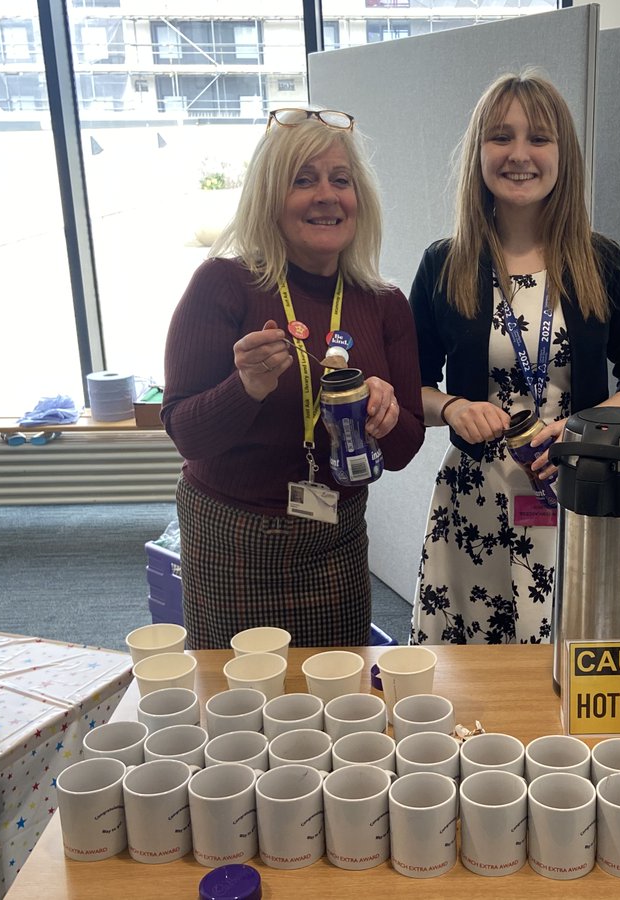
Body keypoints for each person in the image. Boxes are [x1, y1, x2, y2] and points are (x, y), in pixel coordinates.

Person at [410, 71, 620, 645]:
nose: (519, 154)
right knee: (470, 681)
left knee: (571, 671)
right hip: (474, 505)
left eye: (539, 138)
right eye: (501, 137)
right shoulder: (445, 264)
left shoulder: (601, 262)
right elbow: (412, 389)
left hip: (577, 494)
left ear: (562, 154)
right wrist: (451, 407)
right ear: (479, 151)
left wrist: (585, 429)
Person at [163, 106, 424, 649]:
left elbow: (402, 449)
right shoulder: (224, 284)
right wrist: (246, 389)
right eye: (302, 180)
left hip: (336, 538)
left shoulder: (384, 304)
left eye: (340, 180)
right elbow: (185, 432)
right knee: (237, 707)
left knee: (339, 705)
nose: (326, 195)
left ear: (360, 198)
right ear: (269, 198)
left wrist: (385, 416)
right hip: (232, 539)